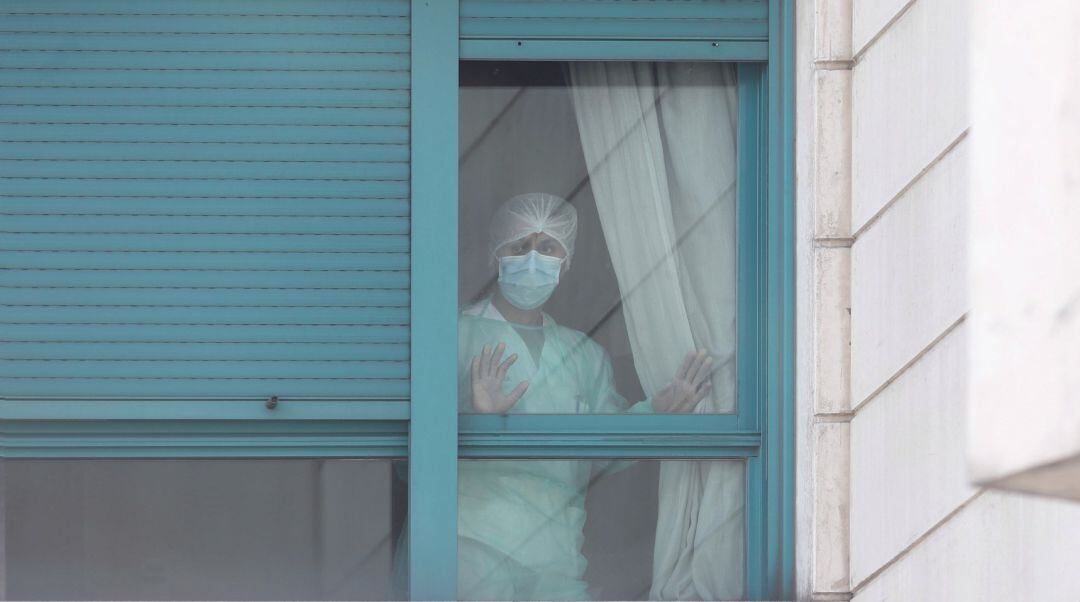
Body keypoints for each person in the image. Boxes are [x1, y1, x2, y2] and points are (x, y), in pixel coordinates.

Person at [452, 192, 715, 600]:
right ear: (496, 254)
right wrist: (473, 415)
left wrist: (656, 413)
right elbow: (409, 450)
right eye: (521, 246)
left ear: (566, 261)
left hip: (556, 548)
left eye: (548, 247)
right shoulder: (456, 335)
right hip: (470, 540)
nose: (534, 257)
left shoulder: (584, 356)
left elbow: (600, 451)